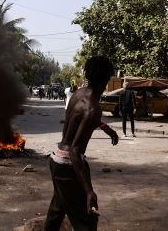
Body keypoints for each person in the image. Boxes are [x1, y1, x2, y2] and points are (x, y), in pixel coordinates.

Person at [44, 56, 119, 231]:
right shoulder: (93, 108)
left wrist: (103, 126)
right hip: (68, 166)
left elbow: (75, 120)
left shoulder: (78, 94)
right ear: (107, 78)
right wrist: (88, 191)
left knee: (57, 211)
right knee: (86, 222)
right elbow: (75, 152)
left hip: (56, 159)